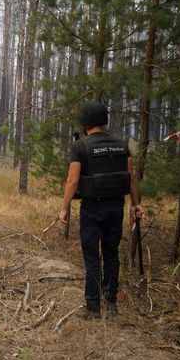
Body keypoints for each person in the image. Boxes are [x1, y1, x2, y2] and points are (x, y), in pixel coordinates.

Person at [59, 102, 144, 319]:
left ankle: (93, 307)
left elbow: (72, 180)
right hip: (116, 208)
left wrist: (64, 208)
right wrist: (135, 205)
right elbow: (130, 178)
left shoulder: (81, 147)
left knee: (92, 257)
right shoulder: (121, 145)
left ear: (85, 123)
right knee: (111, 254)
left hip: (92, 208)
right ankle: (111, 302)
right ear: (103, 120)